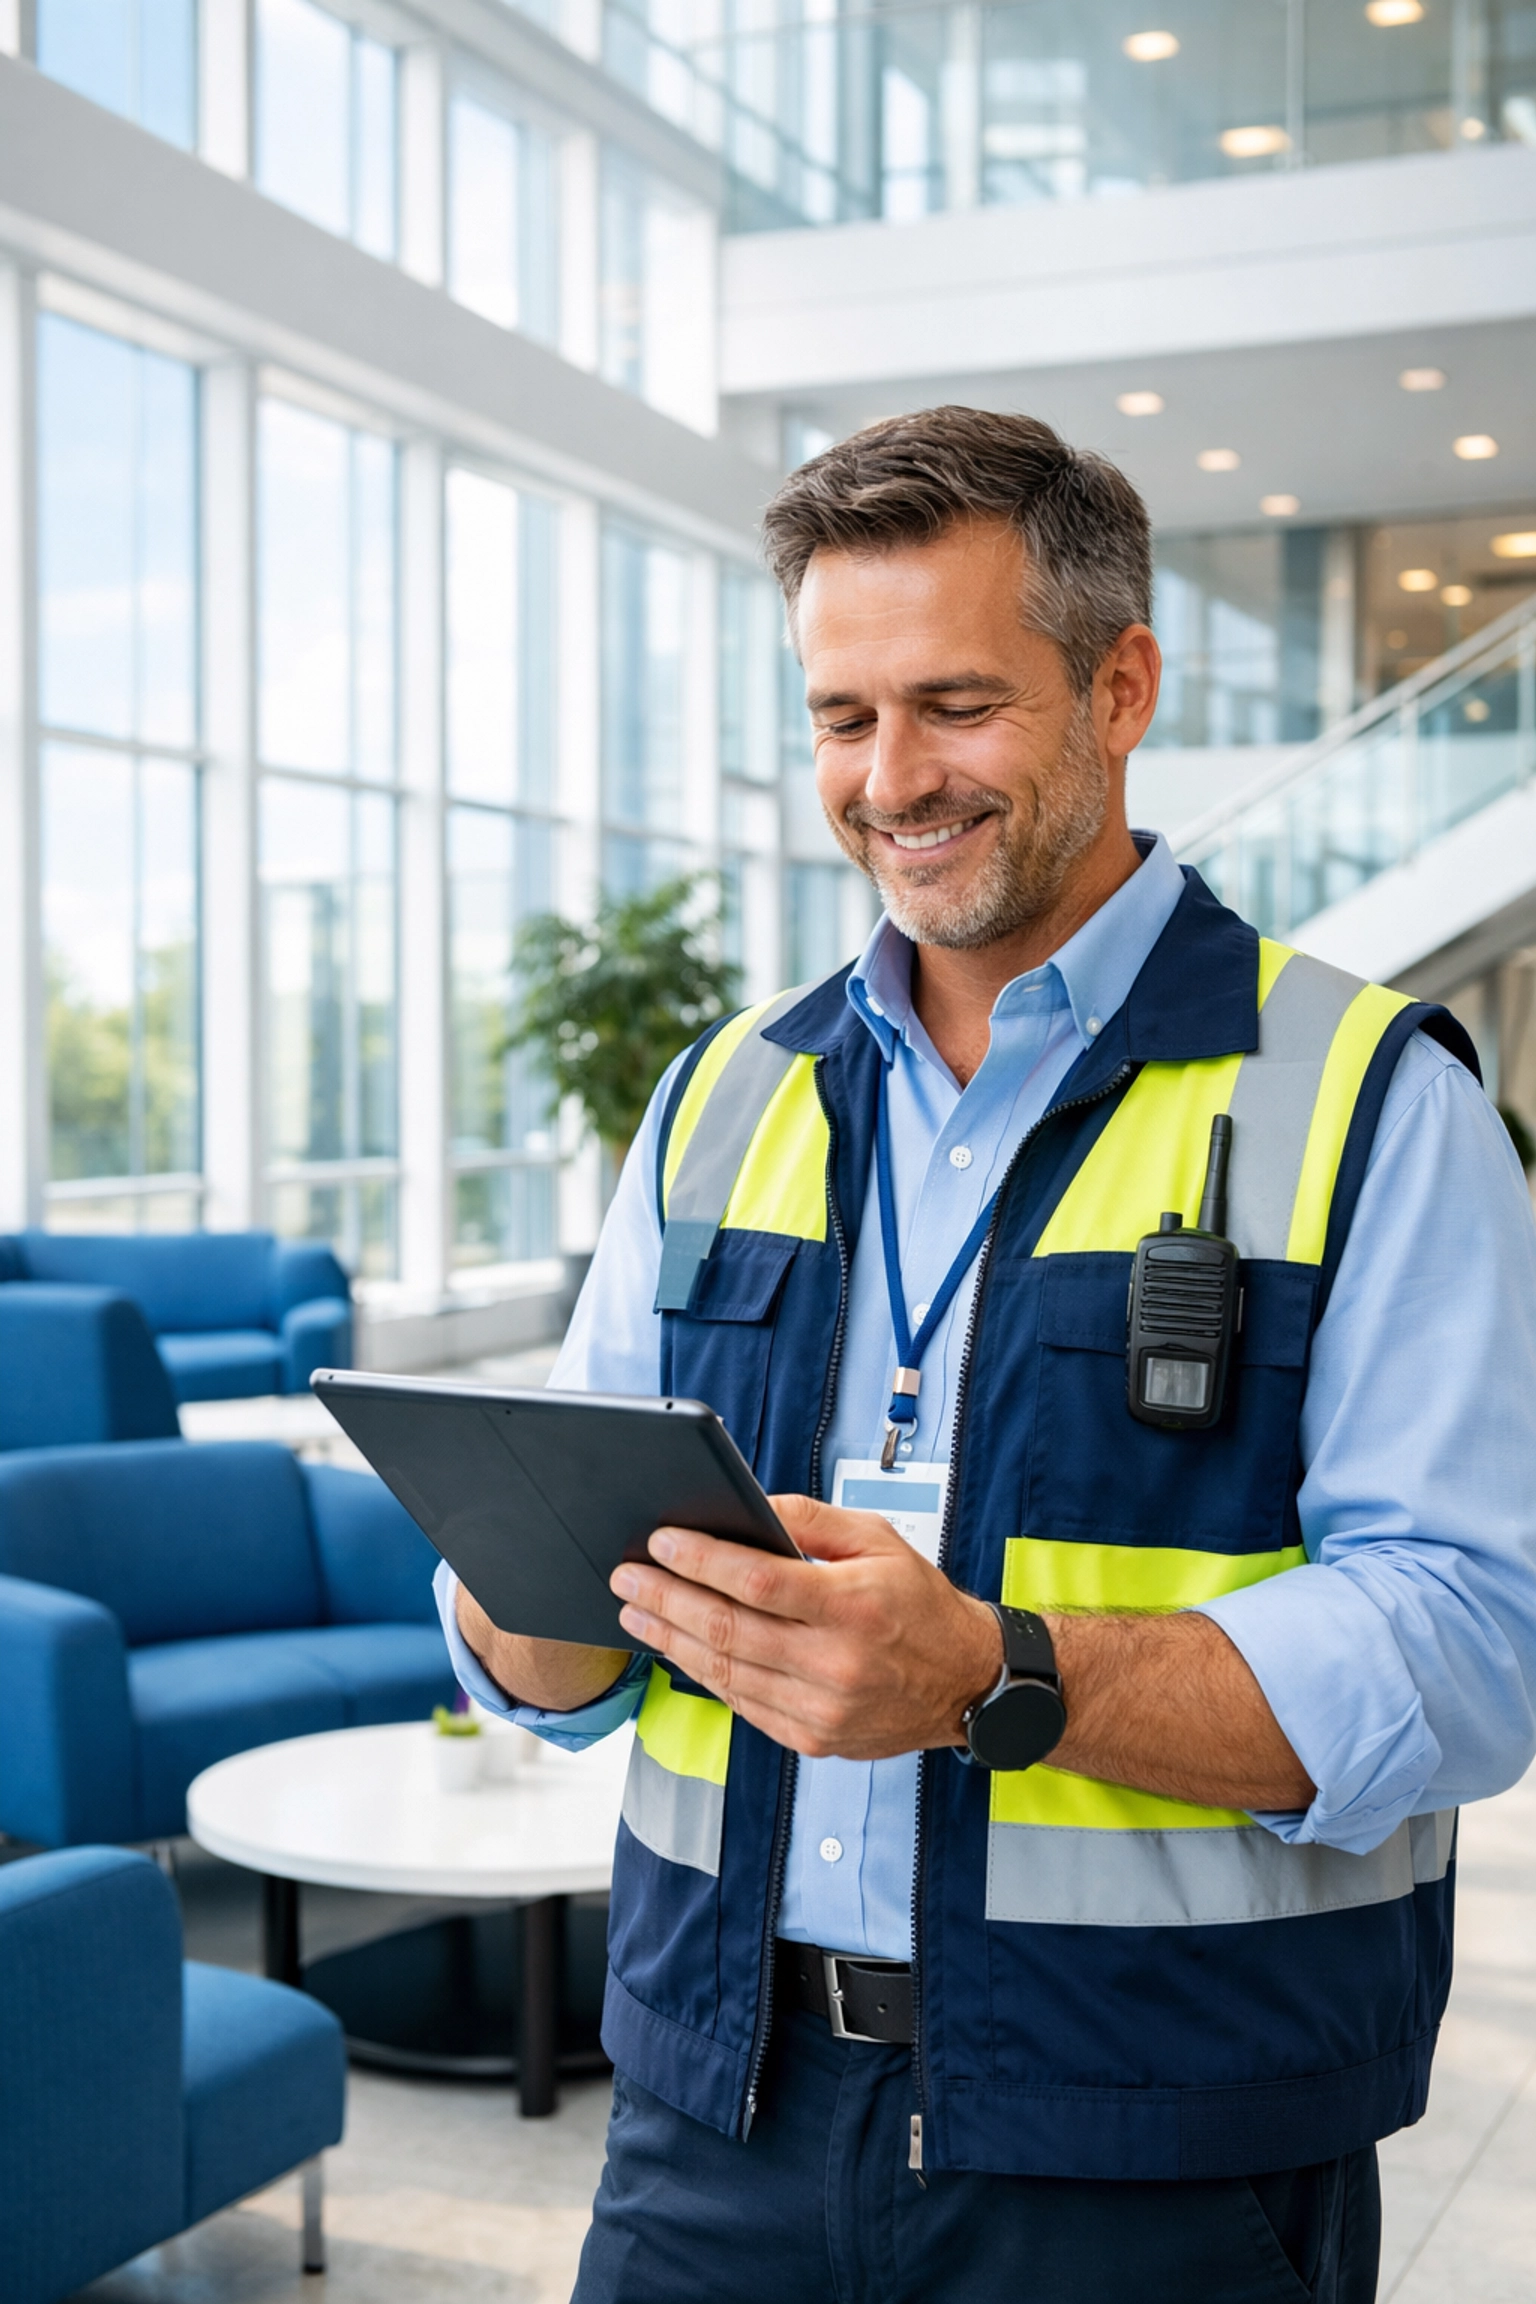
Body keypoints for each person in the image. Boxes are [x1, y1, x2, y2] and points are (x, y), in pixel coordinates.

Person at [438, 407, 1536, 2303]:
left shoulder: (1374, 1104)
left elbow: (1469, 1644)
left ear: (1122, 689)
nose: (891, 780)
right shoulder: (719, 1097)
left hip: (1159, 2146)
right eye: (841, 720)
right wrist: (525, 1624)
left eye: (956, 704)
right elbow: (559, 1627)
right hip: (715, 2118)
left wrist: (991, 1677)